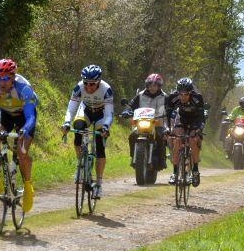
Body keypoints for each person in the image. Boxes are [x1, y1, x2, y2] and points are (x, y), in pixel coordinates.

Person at [0, 58, 39, 212]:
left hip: (24, 117)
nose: (2, 82)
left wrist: (24, 130)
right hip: (6, 115)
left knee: (22, 152)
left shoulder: (24, 89)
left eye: (5, 79)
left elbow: (30, 116)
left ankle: (27, 185)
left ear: (13, 77)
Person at [61, 65, 114, 199]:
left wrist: (106, 127)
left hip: (101, 115)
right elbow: (71, 109)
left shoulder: (106, 90)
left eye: (92, 84)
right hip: (86, 111)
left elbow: (109, 114)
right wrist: (66, 122)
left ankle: (99, 185)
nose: (88, 87)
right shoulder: (78, 88)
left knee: (100, 147)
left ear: (99, 82)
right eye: (86, 83)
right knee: (78, 127)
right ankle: (80, 164)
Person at [165, 77, 207, 187]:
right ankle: (174, 173)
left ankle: (195, 170)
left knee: (193, 140)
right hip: (182, 119)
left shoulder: (198, 98)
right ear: (177, 92)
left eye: (186, 94)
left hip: (195, 120)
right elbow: (167, 116)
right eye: (181, 94)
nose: (183, 97)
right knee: (177, 140)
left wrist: (199, 130)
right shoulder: (172, 97)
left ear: (191, 92)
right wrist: (168, 129)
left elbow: (202, 118)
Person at [121, 73, 167, 170]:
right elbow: (130, 105)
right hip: (142, 122)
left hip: (158, 123)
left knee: (161, 137)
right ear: (147, 85)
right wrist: (126, 111)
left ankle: (162, 161)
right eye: (150, 84)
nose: (152, 87)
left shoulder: (165, 97)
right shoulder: (140, 95)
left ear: (159, 86)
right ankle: (134, 157)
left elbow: (171, 108)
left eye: (155, 85)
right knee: (132, 136)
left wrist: (171, 112)